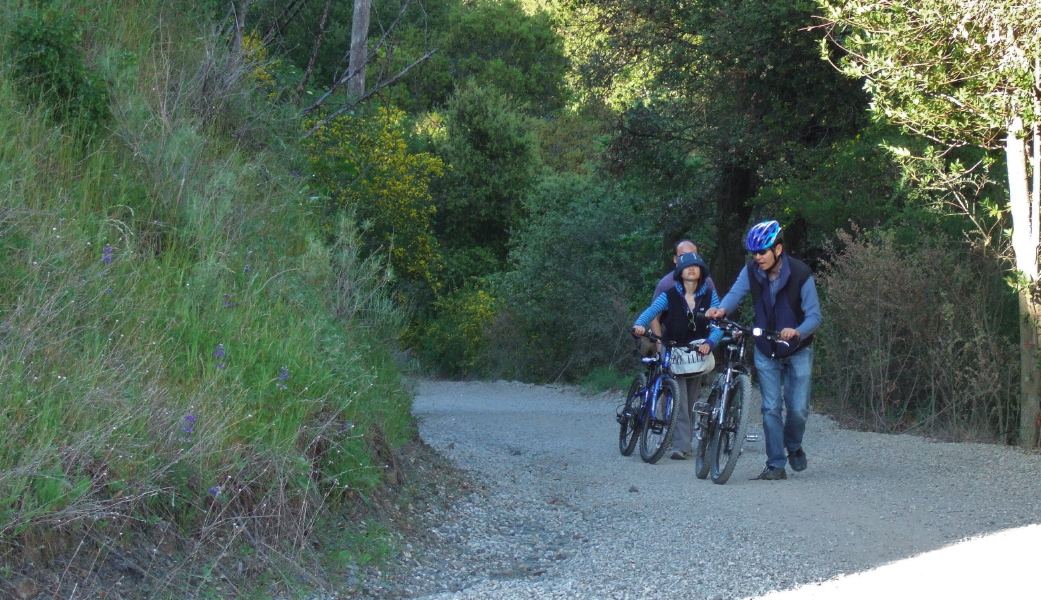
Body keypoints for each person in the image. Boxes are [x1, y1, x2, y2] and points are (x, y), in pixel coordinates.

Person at [705, 220, 822, 480]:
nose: (757, 257)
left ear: (778, 250)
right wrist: (721, 309)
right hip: (765, 348)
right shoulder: (751, 271)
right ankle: (776, 464)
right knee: (770, 407)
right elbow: (735, 294)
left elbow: (815, 316)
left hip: (798, 349)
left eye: (762, 252)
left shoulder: (801, 273)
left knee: (798, 408)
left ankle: (792, 445)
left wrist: (798, 331)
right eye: (754, 253)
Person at [632, 252, 723, 460]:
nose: (691, 269)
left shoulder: (710, 296)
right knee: (679, 397)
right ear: (679, 272)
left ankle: (685, 441)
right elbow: (651, 311)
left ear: (702, 271)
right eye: (686, 266)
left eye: (696, 266)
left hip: (697, 352)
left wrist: (710, 342)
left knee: (691, 398)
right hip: (672, 347)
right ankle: (680, 445)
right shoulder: (670, 295)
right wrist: (639, 324)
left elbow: (718, 324)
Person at [639, 240, 717, 357]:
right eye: (683, 256)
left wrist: (710, 342)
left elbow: (716, 317)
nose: (689, 261)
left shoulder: (708, 284)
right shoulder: (665, 284)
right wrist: (660, 347)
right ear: (675, 259)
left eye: (693, 256)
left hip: (698, 343)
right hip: (670, 339)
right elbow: (654, 316)